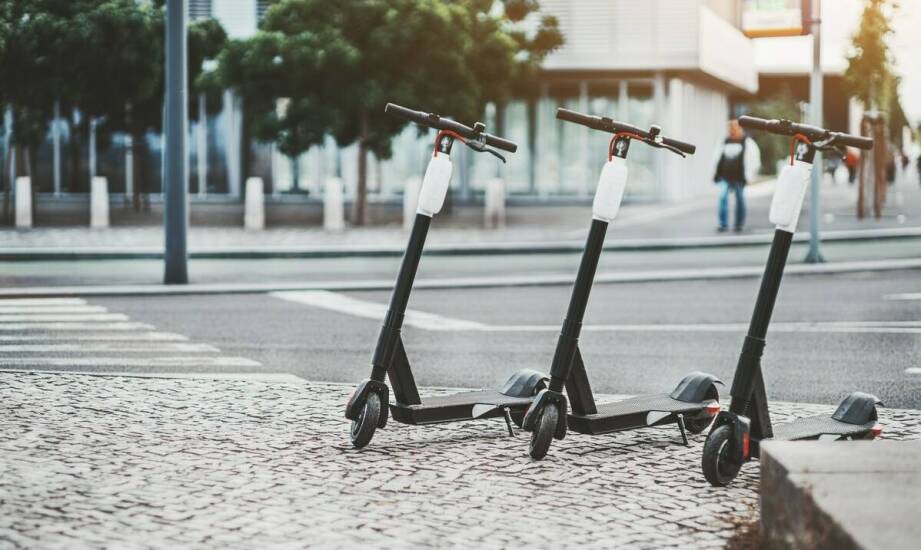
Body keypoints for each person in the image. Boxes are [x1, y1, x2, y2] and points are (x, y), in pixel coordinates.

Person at [713, 119, 761, 232]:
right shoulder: (724, 141)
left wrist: (750, 175)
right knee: (722, 197)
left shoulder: (747, 142)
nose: (732, 130)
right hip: (725, 176)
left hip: (740, 177)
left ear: (740, 128)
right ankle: (722, 224)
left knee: (740, 199)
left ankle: (739, 224)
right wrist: (716, 172)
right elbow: (717, 158)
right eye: (730, 128)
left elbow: (753, 160)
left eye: (734, 128)